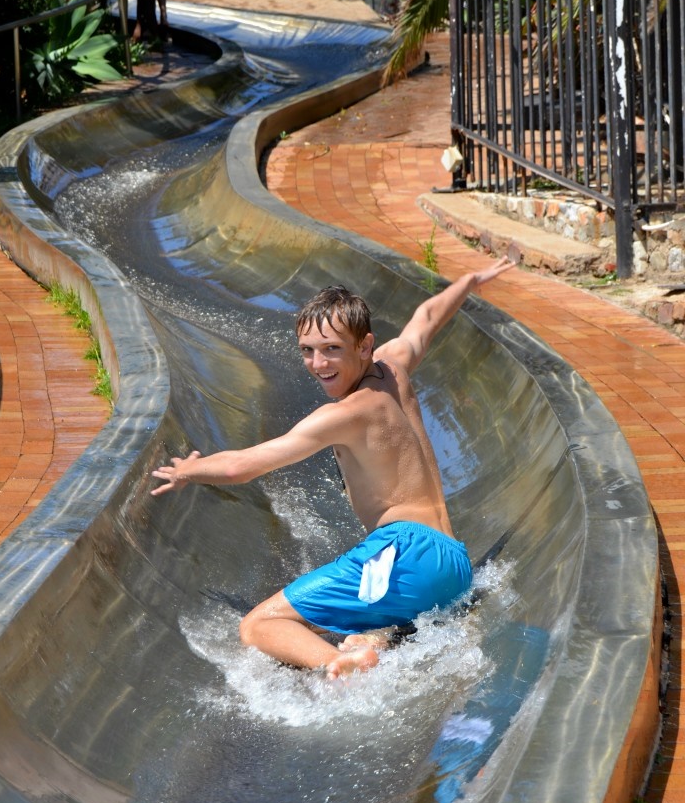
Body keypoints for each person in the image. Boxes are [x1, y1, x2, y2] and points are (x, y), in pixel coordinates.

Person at [152, 256, 516, 678]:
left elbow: (241, 467)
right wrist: (468, 281)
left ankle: (341, 663)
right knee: (365, 620)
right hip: (452, 565)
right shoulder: (393, 367)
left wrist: (187, 471)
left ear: (363, 346)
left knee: (259, 625)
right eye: (307, 350)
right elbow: (427, 319)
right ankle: (371, 638)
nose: (318, 364)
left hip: (405, 554)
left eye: (331, 349)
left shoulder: (346, 413)